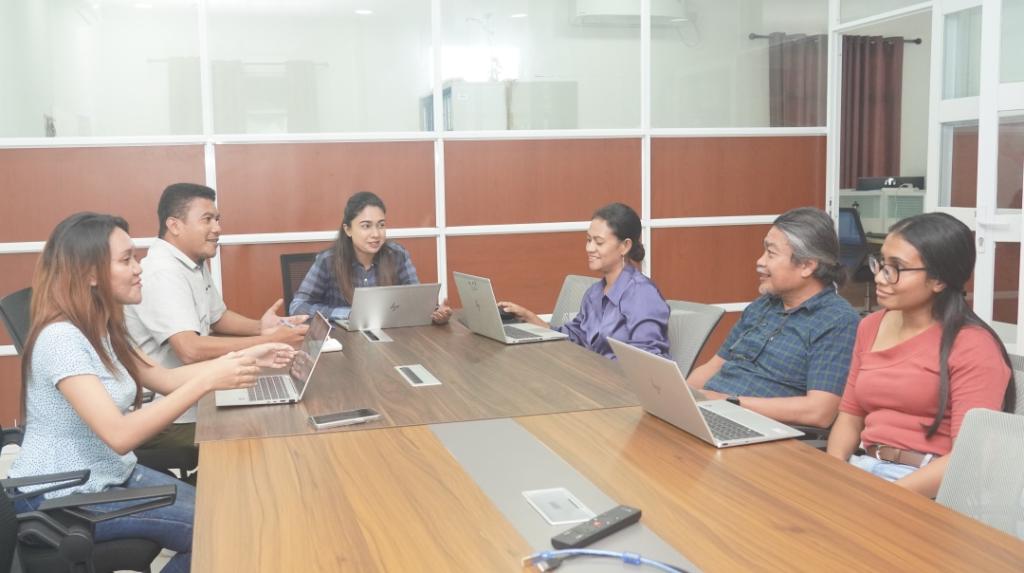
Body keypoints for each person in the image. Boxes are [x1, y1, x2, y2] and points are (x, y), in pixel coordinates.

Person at [8, 212, 294, 573]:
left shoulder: (103, 325)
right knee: (225, 529)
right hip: (65, 496)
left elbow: (164, 378)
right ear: (90, 274)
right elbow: (119, 434)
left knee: (233, 517)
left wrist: (248, 355)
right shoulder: (61, 339)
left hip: (112, 475)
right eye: (126, 260)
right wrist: (208, 380)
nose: (139, 267)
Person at [826, 212, 1014, 497]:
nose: (879, 276)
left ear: (938, 280)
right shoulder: (870, 326)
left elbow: (969, 457)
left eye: (896, 268)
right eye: (881, 262)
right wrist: (833, 473)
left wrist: (884, 499)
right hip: (863, 467)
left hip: (924, 485)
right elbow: (850, 416)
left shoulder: (973, 346)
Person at [124, 183, 308, 451]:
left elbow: (217, 317)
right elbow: (190, 349)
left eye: (218, 219)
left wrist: (262, 328)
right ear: (174, 225)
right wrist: (263, 342)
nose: (217, 228)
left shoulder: (191, 261)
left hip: (199, 396)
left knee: (276, 415)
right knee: (263, 434)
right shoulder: (162, 273)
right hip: (173, 417)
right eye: (207, 220)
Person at [686, 207, 860, 428]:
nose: (760, 261)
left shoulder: (837, 321)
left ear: (807, 265)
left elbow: (819, 411)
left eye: (771, 253)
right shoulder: (762, 306)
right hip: (715, 415)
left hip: (760, 430)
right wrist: (681, 400)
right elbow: (713, 367)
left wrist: (729, 402)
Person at [498, 202, 670, 359]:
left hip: (621, 388)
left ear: (625, 246)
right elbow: (575, 337)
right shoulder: (594, 293)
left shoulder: (642, 294)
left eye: (599, 242)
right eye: (588, 240)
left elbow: (648, 360)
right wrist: (528, 317)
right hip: (591, 380)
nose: (589, 248)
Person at [289, 191, 452, 323]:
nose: (376, 234)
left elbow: (417, 302)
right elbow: (297, 307)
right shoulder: (328, 260)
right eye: (366, 226)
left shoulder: (397, 255)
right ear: (348, 230)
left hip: (392, 341)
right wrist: (348, 314)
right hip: (344, 344)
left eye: (381, 225)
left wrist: (435, 312)